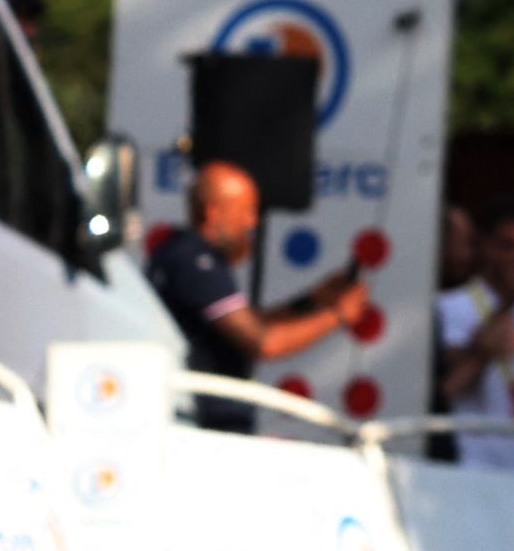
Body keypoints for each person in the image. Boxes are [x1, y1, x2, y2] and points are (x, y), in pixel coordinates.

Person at [147, 159, 371, 433]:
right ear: (214, 213)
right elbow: (263, 341)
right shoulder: (194, 260)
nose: (252, 222)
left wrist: (313, 300)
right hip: (206, 427)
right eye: (247, 211)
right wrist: (338, 315)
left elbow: (248, 322)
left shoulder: (187, 254)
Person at [436, 203, 514, 475]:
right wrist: (507, 303)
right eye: (507, 246)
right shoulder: (450, 305)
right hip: (477, 458)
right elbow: (448, 386)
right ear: (485, 245)